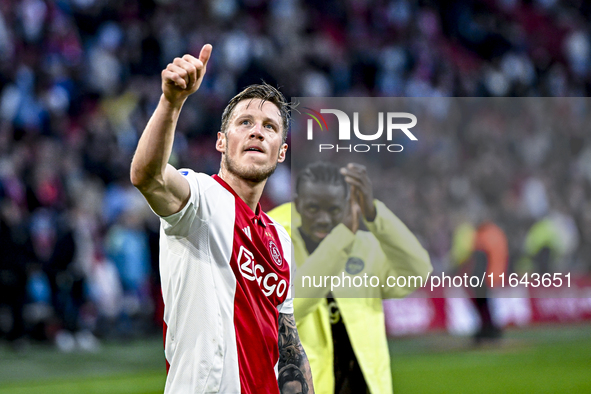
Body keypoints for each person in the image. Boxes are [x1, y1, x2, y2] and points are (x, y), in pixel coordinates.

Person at [130, 44, 314, 393]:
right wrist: (172, 103)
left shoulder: (281, 241)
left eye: (270, 127)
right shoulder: (200, 198)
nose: (257, 132)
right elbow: (147, 176)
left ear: (282, 152)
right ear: (221, 142)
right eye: (244, 123)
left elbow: (290, 349)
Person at [268, 162, 432, 394]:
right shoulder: (275, 243)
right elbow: (288, 312)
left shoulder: (363, 246)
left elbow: (417, 271)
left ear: (346, 207)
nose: (324, 219)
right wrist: (341, 238)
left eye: (333, 209)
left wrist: (374, 213)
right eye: (314, 208)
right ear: (297, 204)